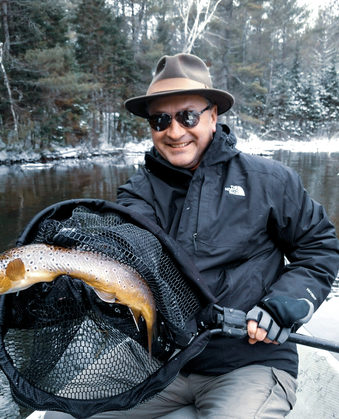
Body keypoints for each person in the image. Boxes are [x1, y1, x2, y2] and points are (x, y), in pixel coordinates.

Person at [46, 54, 339, 418]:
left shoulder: (270, 181)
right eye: (160, 120)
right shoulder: (136, 195)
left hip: (249, 362)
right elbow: (126, 252)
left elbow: (319, 248)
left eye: (187, 116)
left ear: (213, 115)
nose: (174, 131)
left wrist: (283, 305)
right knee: (60, 413)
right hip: (158, 358)